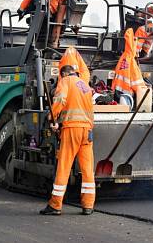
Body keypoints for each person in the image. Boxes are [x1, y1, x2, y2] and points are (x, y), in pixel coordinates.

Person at [40, 65, 95, 216]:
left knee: (64, 166)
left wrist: (51, 117)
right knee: (87, 169)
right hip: (87, 130)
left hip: (72, 130)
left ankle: (55, 205)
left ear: (63, 73)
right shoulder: (84, 85)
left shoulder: (65, 81)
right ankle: (88, 204)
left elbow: (60, 100)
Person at [17, 0, 82, 48]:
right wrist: (75, 25)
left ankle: (46, 43)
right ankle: (54, 42)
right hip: (65, 13)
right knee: (58, 21)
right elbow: (79, 3)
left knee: (43, 19)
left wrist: (21, 10)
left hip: (50, 10)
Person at [112, 28, 145, 98]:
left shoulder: (124, 58)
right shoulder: (130, 61)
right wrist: (144, 92)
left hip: (118, 93)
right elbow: (136, 81)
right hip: (127, 96)